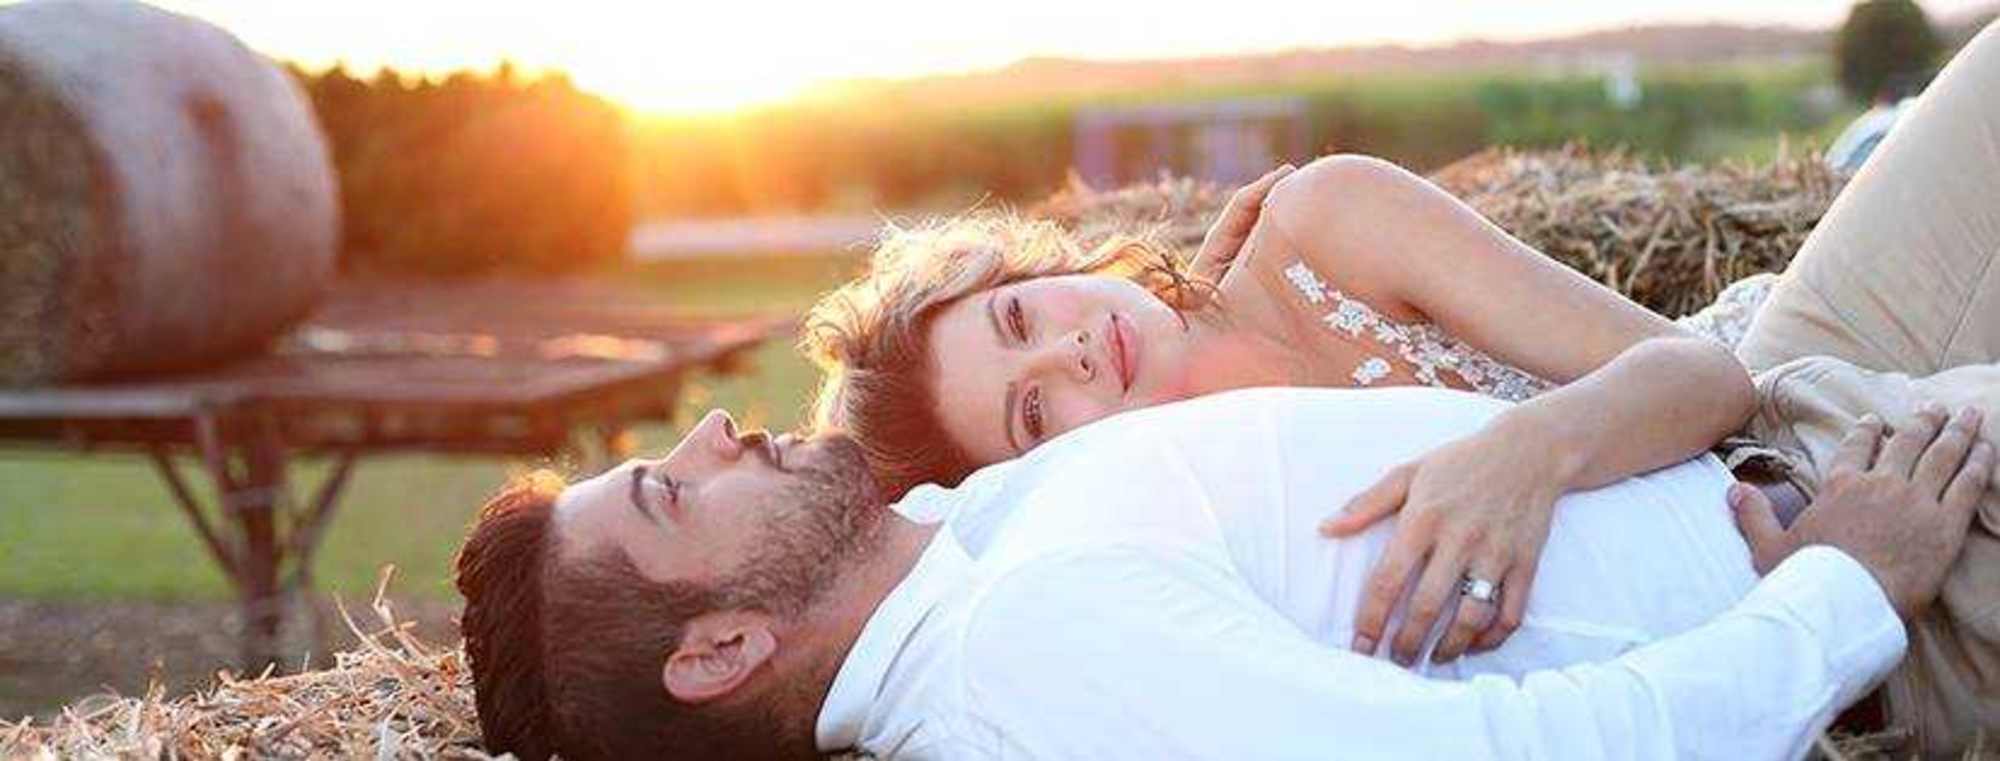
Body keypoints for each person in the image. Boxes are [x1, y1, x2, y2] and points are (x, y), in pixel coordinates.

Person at [803, 21, 2000, 744]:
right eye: (1031, 409)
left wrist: (1524, 450)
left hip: (1793, 366)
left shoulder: (1322, 224)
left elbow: (1710, 376)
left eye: (1020, 312)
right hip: (1808, 516)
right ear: (1045, 474)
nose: (1067, 351)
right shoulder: (1197, 574)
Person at [454, 388, 1990, 760]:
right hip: (1887, 551)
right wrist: (1852, 590)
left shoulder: (974, 537)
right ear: (722, 649)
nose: (716, 425)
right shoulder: (1022, 661)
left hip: (1780, 401)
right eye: (674, 486)